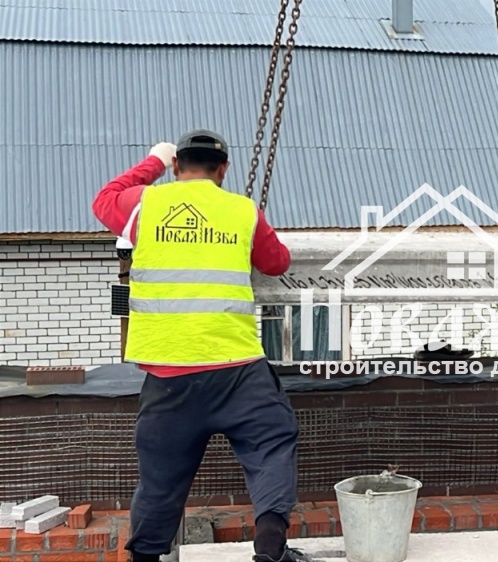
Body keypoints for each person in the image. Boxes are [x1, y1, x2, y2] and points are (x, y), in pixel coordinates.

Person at [92, 130, 311, 562]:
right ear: (223, 169)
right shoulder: (242, 210)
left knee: (160, 478)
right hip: (238, 369)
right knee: (272, 442)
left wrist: (153, 162)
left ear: (177, 166)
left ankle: (146, 557)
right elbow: (277, 263)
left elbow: (104, 199)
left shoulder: (144, 203)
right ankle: (270, 545)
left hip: (168, 375)